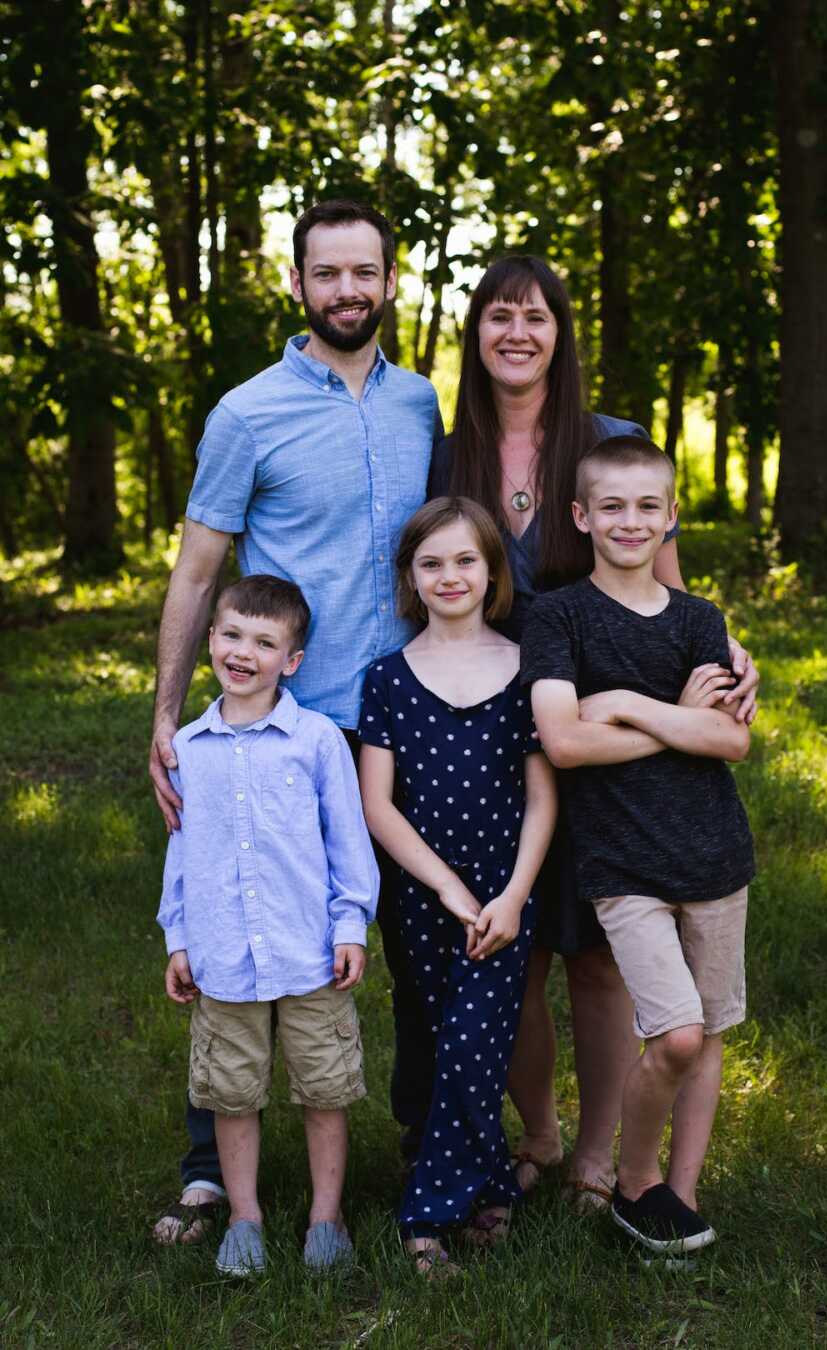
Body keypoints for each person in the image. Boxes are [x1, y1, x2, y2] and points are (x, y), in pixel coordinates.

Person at [428, 254, 759, 1208]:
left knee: (603, 956)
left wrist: (731, 660)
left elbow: (675, 589)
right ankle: (535, 1132)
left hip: (615, 734)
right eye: (498, 317)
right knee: (519, 945)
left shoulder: (613, 442)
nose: (517, 333)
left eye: (536, 317)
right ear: (476, 335)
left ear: (561, 333)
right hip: (496, 723)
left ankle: (599, 1153)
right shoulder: (451, 457)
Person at [149, 199, 441, 1244]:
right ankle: (206, 1170)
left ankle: (427, 1153)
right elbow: (196, 572)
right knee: (235, 918)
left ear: (392, 281)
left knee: (406, 937)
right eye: (328, 274)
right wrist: (165, 717)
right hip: (282, 727)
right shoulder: (248, 413)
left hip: (409, 722)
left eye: (366, 271)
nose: (348, 290)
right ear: (299, 284)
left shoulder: (420, 405)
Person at [522, 437, 754, 1253]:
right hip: (621, 863)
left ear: (671, 517)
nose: (630, 521)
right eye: (611, 507)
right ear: (581, 516)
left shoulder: (699, 619)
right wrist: (675, 717)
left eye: (648, 506)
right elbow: (565, 743)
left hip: (716, 857)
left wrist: (620, 701)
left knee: (710, 1034)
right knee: (677, 1033)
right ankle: (634, 1179)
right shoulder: (556, 617)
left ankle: (675, 1200)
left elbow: (731, 744)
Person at [157, 575, 379, 1274]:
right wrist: (180, 939)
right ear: (211, 642)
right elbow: (182, 853)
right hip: (225, 956)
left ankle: (326, 1217)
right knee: (231, 1092)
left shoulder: (315, 741)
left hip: (308, 951)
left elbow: (349, 840)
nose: (242, 652)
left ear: (293, 660)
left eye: (264, 641)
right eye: (230, 635)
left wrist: (350, 925)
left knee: (325, 1088)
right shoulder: (188, 748)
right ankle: (245, 1217)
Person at [358, 498, 557, 1276]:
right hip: (424, 895)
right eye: (431, 562)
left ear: (492, 571)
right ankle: (492, 1182)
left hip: (507, 895)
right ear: (410, 576)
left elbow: (544, 797)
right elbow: (378, 802)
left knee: (480, 1038)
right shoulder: (388, 680)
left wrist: (511, 895)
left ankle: (427, 1213)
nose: (450, 576)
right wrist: (444, 887)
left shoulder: (525, 669)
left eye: (465, 560)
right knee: (446, 1042)